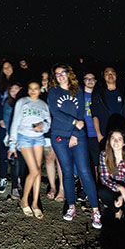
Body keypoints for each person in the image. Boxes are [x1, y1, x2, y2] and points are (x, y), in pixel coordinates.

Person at [49, 63, 102, 229]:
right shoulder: (53, 92)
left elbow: (81, 116)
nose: (60, 76)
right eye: (57, 74)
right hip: (58, 135)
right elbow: (55, 113)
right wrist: (73, 123)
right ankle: (71, 206)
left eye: (63, 73)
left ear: (68, 73)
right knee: (66, 172)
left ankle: (95, 211)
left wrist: (74, 133)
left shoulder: (77, 90)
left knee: (85, 172)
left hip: (77, 135)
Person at [8, 81, 51, 219]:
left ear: (40, 90)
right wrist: (12, 145)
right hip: (23, 137)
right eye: (30, 88)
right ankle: (24, 200)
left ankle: (35, 203)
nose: (33, 91)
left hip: (38, 138)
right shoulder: (22, 102)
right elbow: (14, 123)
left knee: (37, 170)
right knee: (34, 171)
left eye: (36, 88)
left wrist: (42, 126)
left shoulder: (43, 105)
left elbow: (48, 123)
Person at [92, 67, 125, 149]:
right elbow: (95, 116)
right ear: (103, 76)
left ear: (116, 75)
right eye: (107, 73)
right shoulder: (98, 95)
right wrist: (99, 135)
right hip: (107, 135)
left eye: (112, 73)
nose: (110, 75)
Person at [40, 70, 64, 201]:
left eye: (48, 79)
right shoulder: (40, 95)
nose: (45, 81)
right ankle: (53, 187)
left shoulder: (59, 94)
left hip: (59, 130)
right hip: (46, 131)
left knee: (61, 159)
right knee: (49, 158)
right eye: (43, 79)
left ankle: (62, 188)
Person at [0, 61, 16, 194]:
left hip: (16, 120)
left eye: (9, 66)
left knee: (16, 151)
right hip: (3, 121)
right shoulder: (0, 84)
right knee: (3, 150)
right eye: (4, 68)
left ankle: (16, 181)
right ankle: (3, 177)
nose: (6, 69)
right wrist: (0, 119)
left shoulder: (18, 82)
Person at [1, 81, 24, 198]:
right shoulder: (8, 104)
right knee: (15, 161)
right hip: (13, 136)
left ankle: (22, 182)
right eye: (12, 89)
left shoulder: (24, 102)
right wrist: (12, 139)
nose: (14, 91)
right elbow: (7, 122)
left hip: (25, 136)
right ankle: (15, 186)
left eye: (17, 88)